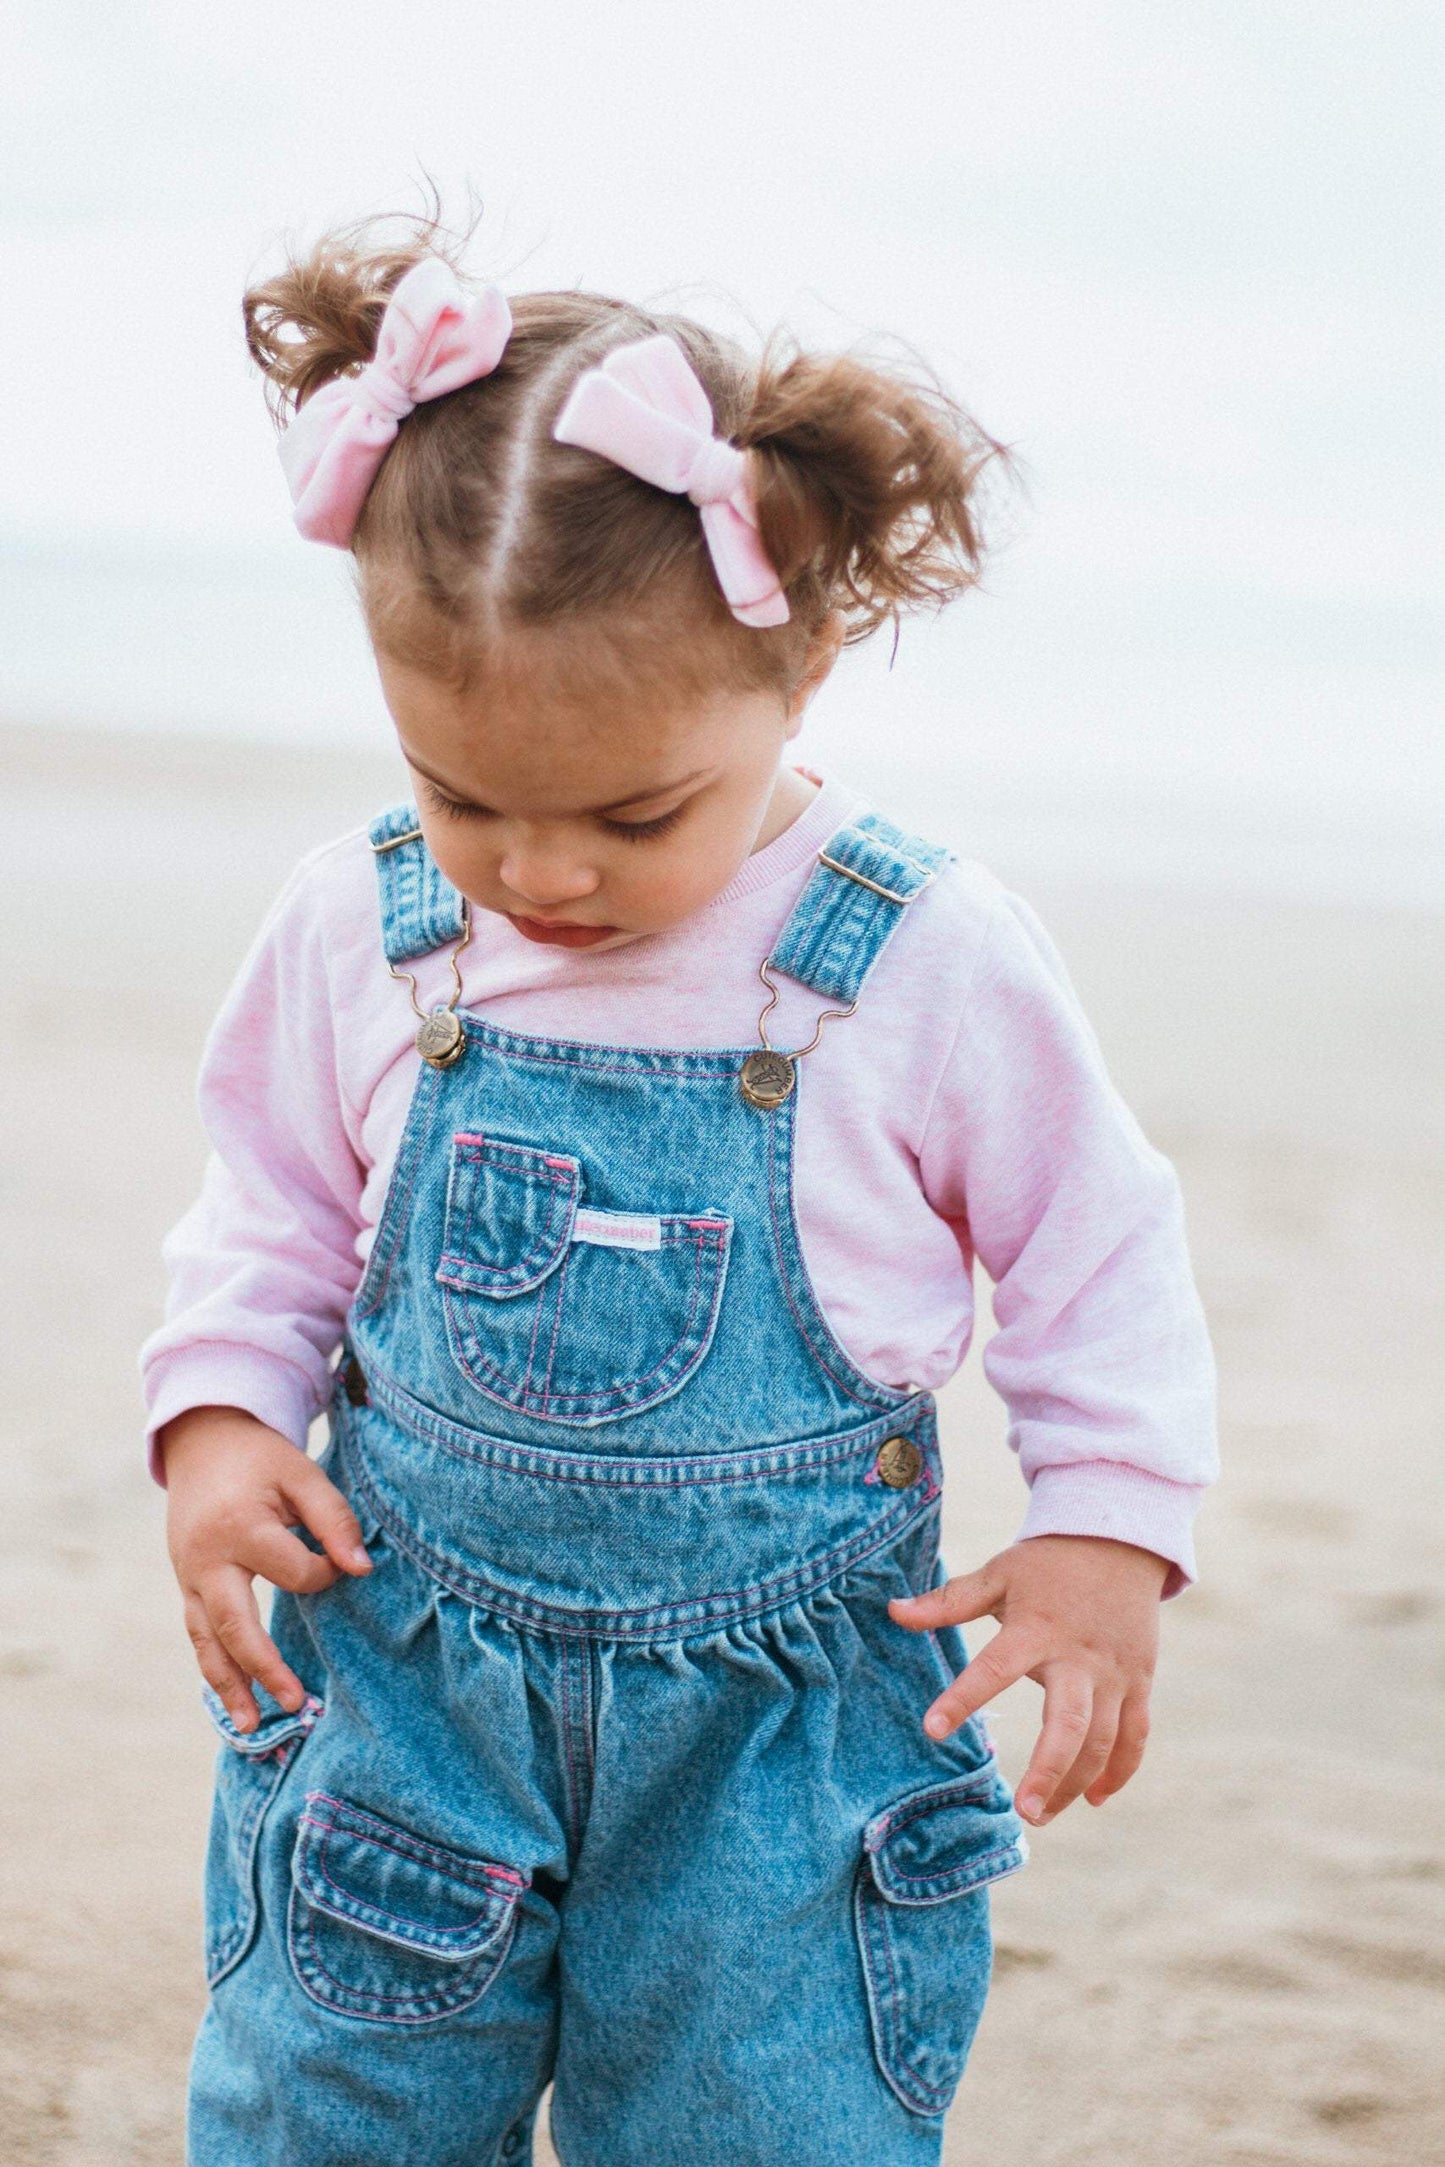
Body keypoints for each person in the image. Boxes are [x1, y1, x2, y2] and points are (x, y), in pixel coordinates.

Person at [141, 215, 1218, 2167]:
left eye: (634, 815)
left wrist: (1105, 1531)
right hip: (403, 1687)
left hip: (780, 1735)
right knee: (329, 2110)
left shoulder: (920, 957)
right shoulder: (365, 927)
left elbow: (1098, 1246)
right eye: (462, 794)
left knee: (763, 2124)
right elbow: (270, 1212)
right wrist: (217, 1424)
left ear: (801, 658)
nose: (539, 874)